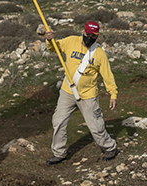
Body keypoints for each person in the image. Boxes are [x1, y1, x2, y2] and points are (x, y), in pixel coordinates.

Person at [44, 20, 118, 165]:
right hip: (68, 91)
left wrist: (113, 93)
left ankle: (110, 147)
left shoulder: (99, 53)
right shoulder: (71, 41)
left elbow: (107, 75)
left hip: (88, 95)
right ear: (83, 32)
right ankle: (59, 153)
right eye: (88, 34)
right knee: (58, 121)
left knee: (96, 127)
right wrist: (49, 40)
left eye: (94, 36)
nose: (90, 38)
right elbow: (55, 48)